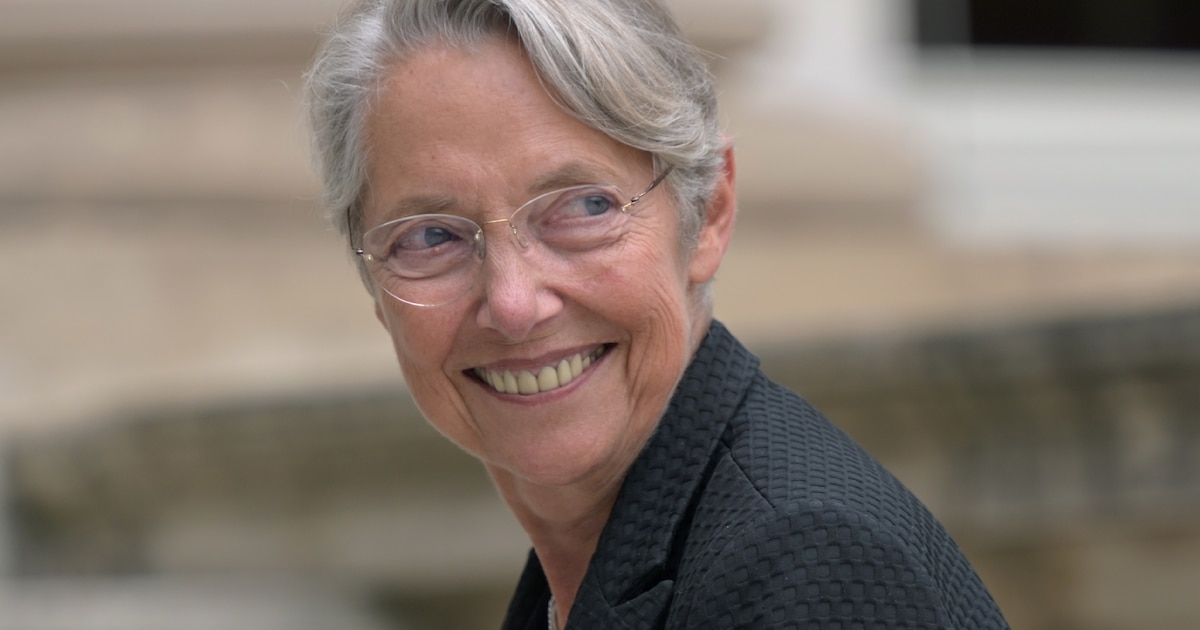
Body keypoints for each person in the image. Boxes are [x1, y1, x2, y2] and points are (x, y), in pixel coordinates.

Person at [305, 0, 1009, 628]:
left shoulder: (803, 563)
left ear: (710, 214)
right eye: (431, 236)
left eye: (583, 207)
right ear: (374, 287)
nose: (514, 304)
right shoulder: (589, 567)